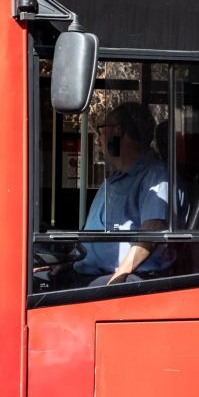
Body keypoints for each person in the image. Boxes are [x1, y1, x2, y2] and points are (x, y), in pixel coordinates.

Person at [71, 101, 172, 284]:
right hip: (84, 271)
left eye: (101, 130)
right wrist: (67, 261)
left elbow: (152, 231)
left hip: (122, 280)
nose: (98, 139)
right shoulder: (114, 179)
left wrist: (120, 275)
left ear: (117, 132)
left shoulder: (155, 176)